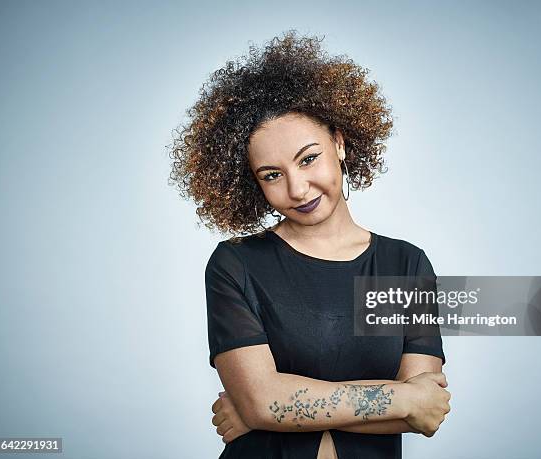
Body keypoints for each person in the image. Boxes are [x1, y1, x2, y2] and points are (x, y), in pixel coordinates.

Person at [168, 30, 451, 459]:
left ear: (338, 143)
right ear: (254, 182)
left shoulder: (404, 265)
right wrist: (262, 406)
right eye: (272, 174)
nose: (297, 189)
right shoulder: (236, 264)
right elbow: (263, 401)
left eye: (308, 158)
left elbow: (426, 412)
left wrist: (271, 408)